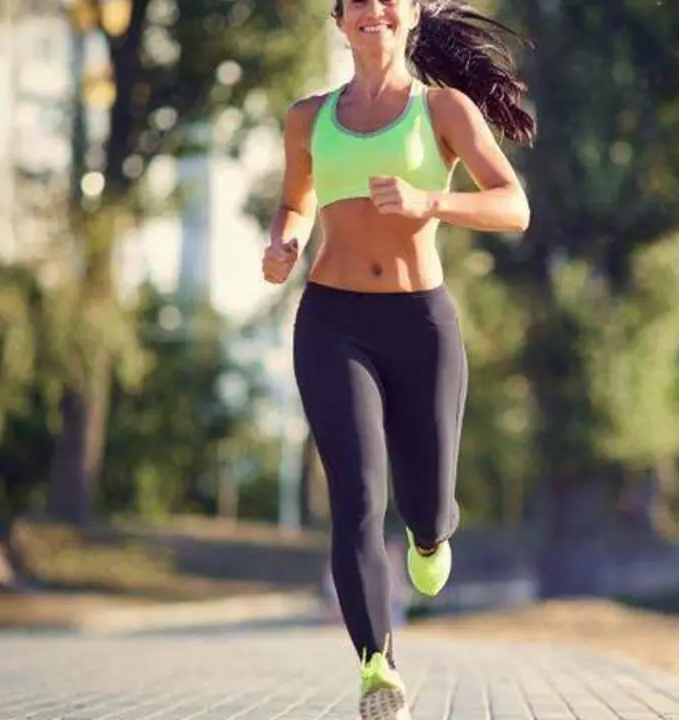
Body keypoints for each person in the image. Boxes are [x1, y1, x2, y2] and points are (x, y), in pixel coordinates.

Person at [260, 0, 534, 717]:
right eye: (356, 1)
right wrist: (283, 243)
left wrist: (430, 204)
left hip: (420, 323)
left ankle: (431, 530)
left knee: (426, 503)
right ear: (340, 20)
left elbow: (513, 206)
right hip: (330, 321)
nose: (371, 10)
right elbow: (295, 203)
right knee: (355, 496)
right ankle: (378, 665)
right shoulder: (306, 118)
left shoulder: (442, 110)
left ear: (410, 16)